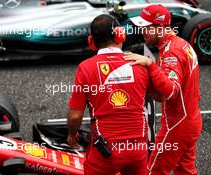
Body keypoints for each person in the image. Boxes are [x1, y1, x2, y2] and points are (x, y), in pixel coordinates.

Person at [66, 14, 149, 175]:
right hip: (138, 149)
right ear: (120, 35)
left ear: (91, 41)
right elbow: (162, 95)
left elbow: (75, 116)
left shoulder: (85, 68)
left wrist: (71, 135)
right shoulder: (140, 63)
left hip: (105, 151)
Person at [125, 4, 202, 175]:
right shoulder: (181, 44)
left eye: (146, 27)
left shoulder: (171, 53)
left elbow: (171, 91)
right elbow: (163, 95)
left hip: (177, 125)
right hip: (190, 121)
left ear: (159, 28)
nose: (142, 31)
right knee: (186, 171)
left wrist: (151, 66)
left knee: (153, 172)